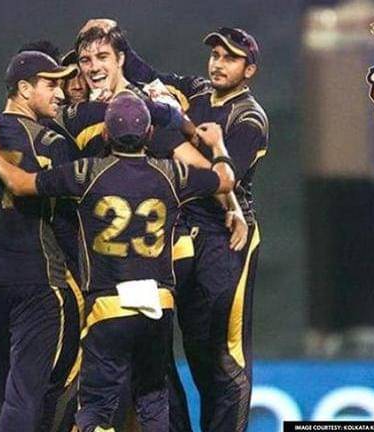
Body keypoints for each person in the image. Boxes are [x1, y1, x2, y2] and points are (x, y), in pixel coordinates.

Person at [0, 93, 235, 432]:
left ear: (106, 134)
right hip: (158, 306)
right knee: (153, 399)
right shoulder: (171, 173)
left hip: (108, 306)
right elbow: (226, 179)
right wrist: (218, 145)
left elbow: (21, 185)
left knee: (96, 407)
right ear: (149, 133)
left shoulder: (88, 172)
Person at [89, 20, 268, 432]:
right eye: (215, 55)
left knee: (220, 356)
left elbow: (224, 179)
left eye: (230, 58)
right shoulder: (197, 91)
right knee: (158, 340)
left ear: (250, 70)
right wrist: (115, 35)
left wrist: (184, 139)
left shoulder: (249, 118)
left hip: (226, 236)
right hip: (183, 231)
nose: (218, 63)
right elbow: (148, 76)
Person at [0, 50, 79, 432]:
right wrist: (88, 279)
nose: (60, 94)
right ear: (23, 88)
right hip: (37, 282)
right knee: (25, 395)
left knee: (3, 390)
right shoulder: (50, 143)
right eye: (51, 84)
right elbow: (65, 222)